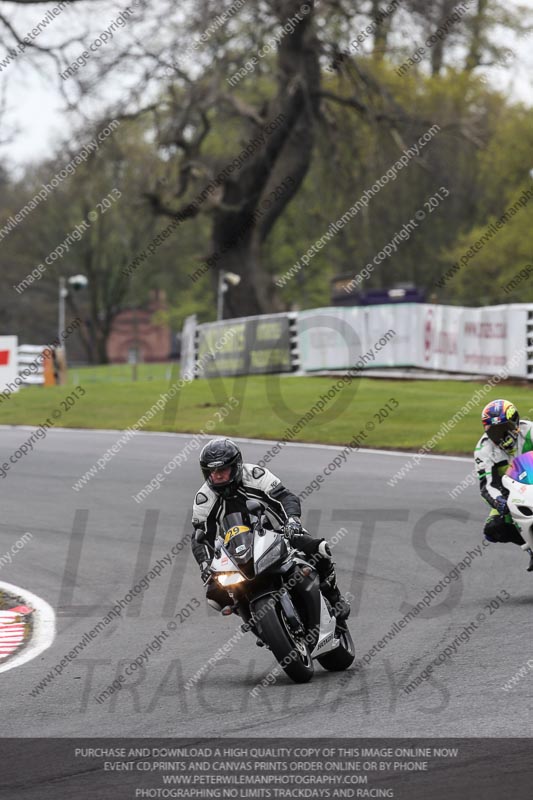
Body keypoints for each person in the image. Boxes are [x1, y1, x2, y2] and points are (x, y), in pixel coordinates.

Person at [191, 437, 350, 619]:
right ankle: (255, 620)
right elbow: (199, 536)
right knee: (216, 597)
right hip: (238, 551)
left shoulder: (255, 475)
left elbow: (286, 497)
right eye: (211, 471)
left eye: (222, 470)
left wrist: (292, 521)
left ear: (235, 466)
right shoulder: (204, 498)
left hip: (279, 533)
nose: (217, 475)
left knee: (318, 550)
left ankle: (334, 596)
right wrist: (205, 565)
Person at [476, 399, 533, 571]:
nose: (500, 435)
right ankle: (531, 546)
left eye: (504, 428)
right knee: (494, 528)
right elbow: (487, 485)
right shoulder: (484, 450)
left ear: (515, 423)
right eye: (494, 432)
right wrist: (499, 501)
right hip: (511, 494)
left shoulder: (530, 431)